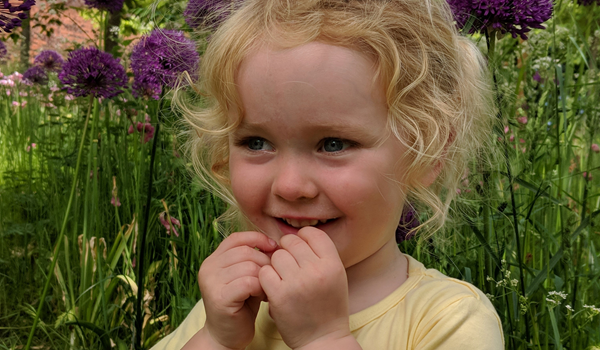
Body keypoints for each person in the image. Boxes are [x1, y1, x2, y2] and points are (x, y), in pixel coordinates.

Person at [153, 0, 504, 349]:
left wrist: (322, 339)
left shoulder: (451, 319)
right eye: (256, 142)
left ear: (428, 156)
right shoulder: (230, 306)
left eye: (333, 144)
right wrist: (216, 338)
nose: (290, 185)